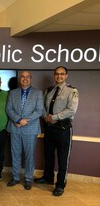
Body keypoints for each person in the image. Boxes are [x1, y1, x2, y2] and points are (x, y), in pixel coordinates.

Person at [34, 66, 79, 197]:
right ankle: (48, 177)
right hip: (49, 129)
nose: (59, 76)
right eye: (57, 74)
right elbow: (42, 107)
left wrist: (54, 117)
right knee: (48, 155)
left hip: (63, 129)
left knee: (63, 158)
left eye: (62, 74)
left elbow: (72, 110)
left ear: (66, 76)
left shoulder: (72, 91)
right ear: (54, 76)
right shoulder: (48, 90)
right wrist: (46, 117)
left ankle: (60, 185)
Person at [6, 71, 44, 190]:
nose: (25, 79)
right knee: (15, 154)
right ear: (20, 79)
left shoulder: (38, 93)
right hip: (15, 128)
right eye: (23, 77)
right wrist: (18, 120)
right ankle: (16, 177)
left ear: (31, 79)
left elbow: (39, 111)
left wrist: (24, 121)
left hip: (30, 129)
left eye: (28, 77)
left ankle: (28, 179)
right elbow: (9, 109)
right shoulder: (13, 93)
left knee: (29, 155)